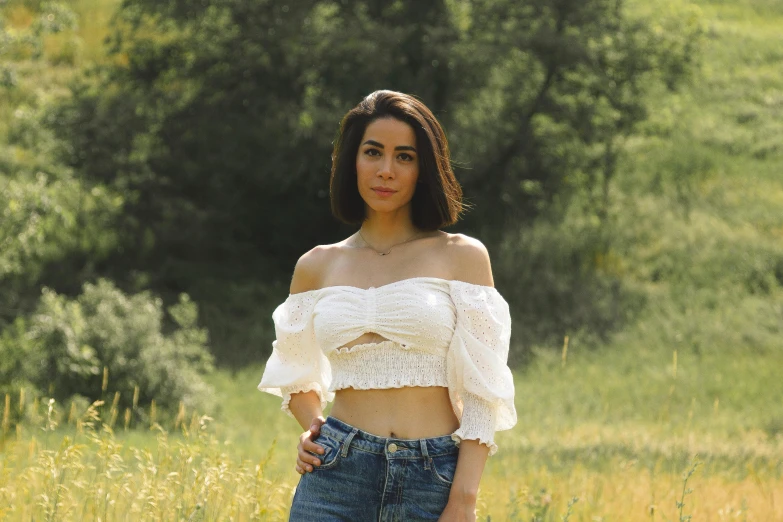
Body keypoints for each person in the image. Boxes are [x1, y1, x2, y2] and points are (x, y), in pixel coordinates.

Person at [258, 90, 517, 522]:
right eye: (373, 152)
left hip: (431, 479)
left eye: (404, 157)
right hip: (334, 475)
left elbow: (482, 389)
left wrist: (464, 499)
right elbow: (295, 370)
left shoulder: (463, 257)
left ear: (424, 168)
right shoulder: (317, 265)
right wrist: (313, 428)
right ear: (352, 161)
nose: (385, 170)